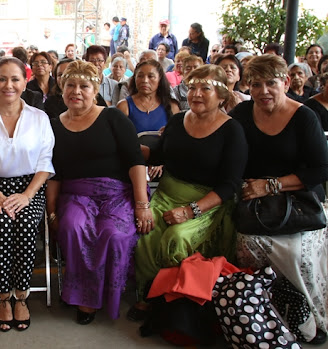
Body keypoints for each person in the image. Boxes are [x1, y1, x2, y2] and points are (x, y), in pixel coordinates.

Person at [129, 64, 248, 321]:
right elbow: (159, 155)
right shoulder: (176, 120)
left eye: (205, 88)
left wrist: (190, 211)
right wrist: (127, 144)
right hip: (167, 194)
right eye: (192, 87)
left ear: (222, 96)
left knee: (177, 237)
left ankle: (177, 303)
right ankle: (150, 295)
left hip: (208, 202)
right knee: (145, 232)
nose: (196, 94)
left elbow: (230, 185)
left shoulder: (232, 131)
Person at [229, 54, 328, 344]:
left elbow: (322, 168)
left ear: (285, 82)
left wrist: (271, 185)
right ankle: (263, 313)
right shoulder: (243, 113)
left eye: (271, 83)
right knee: (246, 243)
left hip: (299, 200)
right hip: (254, 202)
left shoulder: (305, 117)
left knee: (296, 252)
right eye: (255, 84)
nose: (263, 91)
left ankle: (311, 315)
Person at [46, 60, 151, 324]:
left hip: (117, 194)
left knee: (113, 234)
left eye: (84, 86)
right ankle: (83, 296)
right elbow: (53, 173)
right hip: (76, 196)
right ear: (61, 88)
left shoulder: (113, 117)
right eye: (70, 85)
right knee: (72, 227)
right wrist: (51, 212)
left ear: (95, 90)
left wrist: (141, 205)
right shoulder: (53, 125)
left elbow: (136, 161)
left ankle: (106, 291)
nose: (76, 91)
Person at [0, 56, 54, 332]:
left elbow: (45, 163)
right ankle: (4, 296)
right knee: (3, 225)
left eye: (15, 79)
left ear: (25, 81)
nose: (8, 85)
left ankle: (23, 294)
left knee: (27, 225)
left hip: (31, 187)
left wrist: (28, 195)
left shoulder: (39, 118)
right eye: (2, 78)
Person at [116, 59, 180, 134]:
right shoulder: (124, 106)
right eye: (140, 76)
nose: (145, 80)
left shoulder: (172, 106)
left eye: (151, 76)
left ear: (160, 80)